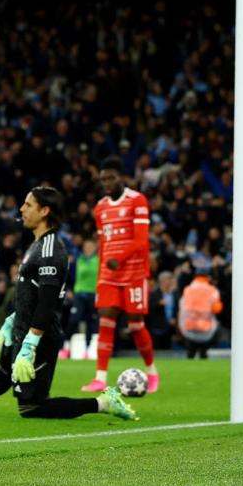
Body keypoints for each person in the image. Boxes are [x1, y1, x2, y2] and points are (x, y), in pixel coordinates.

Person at [0, 187, 136, 421]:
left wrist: (30, 344)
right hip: (24, 327)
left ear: (45, 211)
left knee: (32, 408)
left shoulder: (50, 249)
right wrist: (11, 322)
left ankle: (104, 403)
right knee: (5, 368)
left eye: (28, 205)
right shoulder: (37, 244)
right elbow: (30, 293)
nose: (22, 209)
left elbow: (47, 301)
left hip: (41, 335)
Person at [81, 157, 159, 393]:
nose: (106, 182)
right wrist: (101, 274)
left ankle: (152, 372)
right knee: (105, 319)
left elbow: (141, 240)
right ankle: (100, 378)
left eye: (111, 178)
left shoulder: (137, 200)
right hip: (109, 273)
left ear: (121, 177)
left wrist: (120, 258)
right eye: (103, 178)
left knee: (135, 325)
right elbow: (103, 243)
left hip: (134, 271)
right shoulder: (100, 207)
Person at [179, 271, 222, 359]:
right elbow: (216, 308)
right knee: (203, 353)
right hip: (205, 326)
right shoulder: (212, 290)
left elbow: (182, 306)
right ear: (208, 278)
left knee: (190, 352)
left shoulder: (188, 289)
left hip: (190, 325)